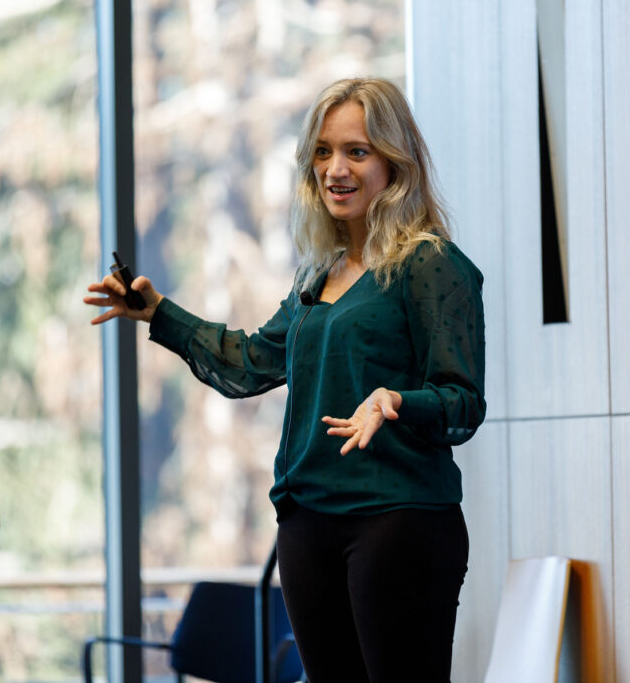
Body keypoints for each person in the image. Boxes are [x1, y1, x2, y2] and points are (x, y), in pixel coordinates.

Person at [85, 78, 486, 682]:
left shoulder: (429, 264)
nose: (335, 169)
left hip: (398, 523)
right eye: (323, 152)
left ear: (394, 164)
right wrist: (158, 312)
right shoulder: (315, 277)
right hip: (308, 526)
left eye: (357, 151)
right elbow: (249, 364)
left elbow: (463, 403)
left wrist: (395, 400)